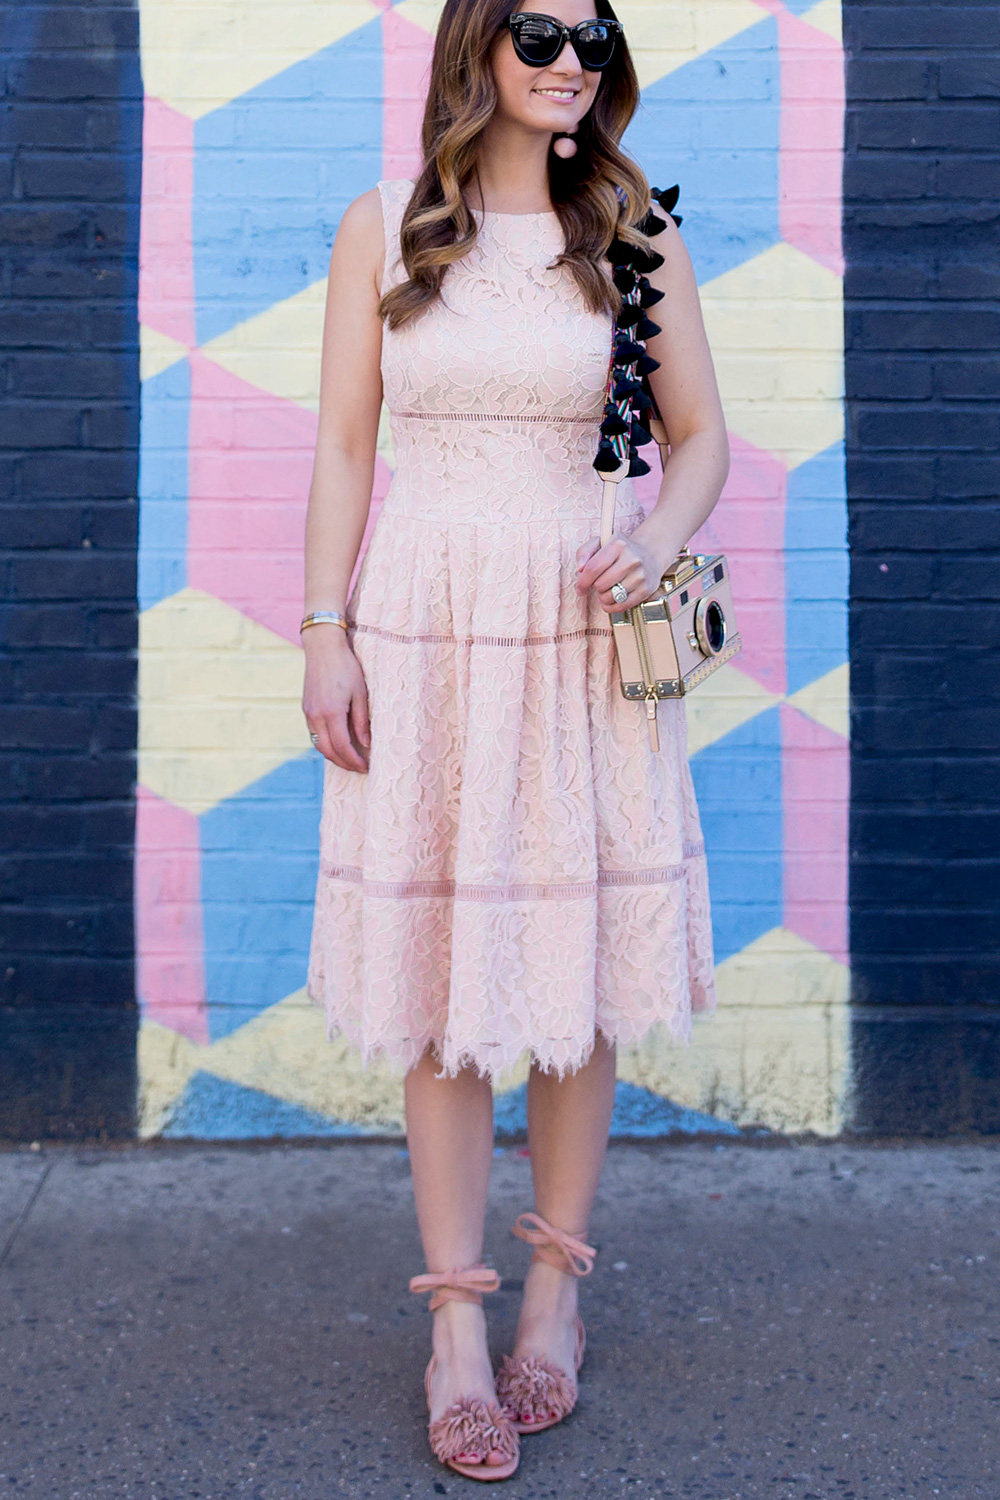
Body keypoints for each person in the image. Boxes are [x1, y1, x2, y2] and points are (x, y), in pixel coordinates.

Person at [300, 0, 728, 1480]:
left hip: (577, 637)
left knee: (574, 964)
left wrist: (658, 539)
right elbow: (347, 445)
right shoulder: (390, 227)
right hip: (425, 631)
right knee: (440, 976)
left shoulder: (631, 226)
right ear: (478, 44)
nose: (569, 62)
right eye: (539, 33)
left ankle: (555, 1294)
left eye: (594, 38)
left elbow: (702, 441)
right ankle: (457, 1325)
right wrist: (323, 629)